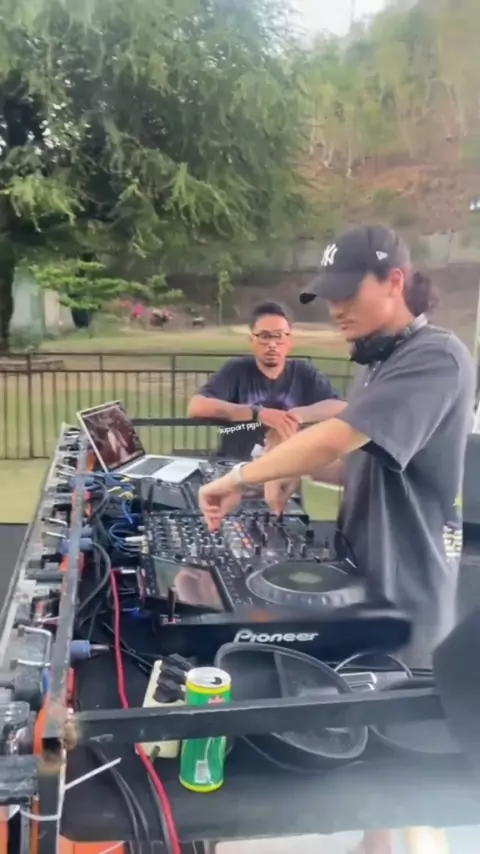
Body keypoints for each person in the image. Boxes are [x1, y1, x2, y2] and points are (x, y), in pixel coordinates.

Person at [197, 224, 475, 853]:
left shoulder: (436, 356)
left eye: (349, 293)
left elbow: (336, 435)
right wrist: (294, 467)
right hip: (366, 580)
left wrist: (239, 477)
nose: (337, 309)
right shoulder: (380, 363)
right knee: (379, 772)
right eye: (330, 297)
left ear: (394, 281)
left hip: (408, 590)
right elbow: (362, 464)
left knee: (406, 774)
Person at [187, 301, 345, 459]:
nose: (272, 344)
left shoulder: (303, 371)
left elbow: (339, 406)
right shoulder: (236, 370)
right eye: (264, 336)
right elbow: (197, 406)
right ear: (251, 340)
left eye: (279, 336)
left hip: (286, 466)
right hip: (235, 467)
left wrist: (294, 416)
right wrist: (258, 413)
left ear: (289, 340)